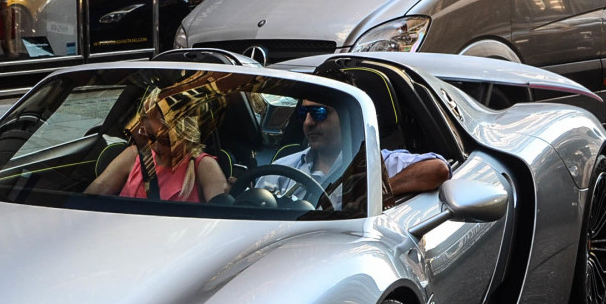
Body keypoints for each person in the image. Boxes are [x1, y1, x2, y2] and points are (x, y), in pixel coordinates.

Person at [255, 98, 449, 206]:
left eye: (319, 113)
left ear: (348, 119)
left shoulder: (375, 162)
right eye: (302, 114)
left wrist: (368, 193)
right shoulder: (280, 169)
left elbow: (437, 169)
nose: (308, 123)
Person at [85, 87, 229, 202]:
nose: (156, 147)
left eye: (166, 141)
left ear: (187, 136)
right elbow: (88, 199)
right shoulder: (134, 156)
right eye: (150, 137)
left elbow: (224, 220)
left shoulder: (203, 166)